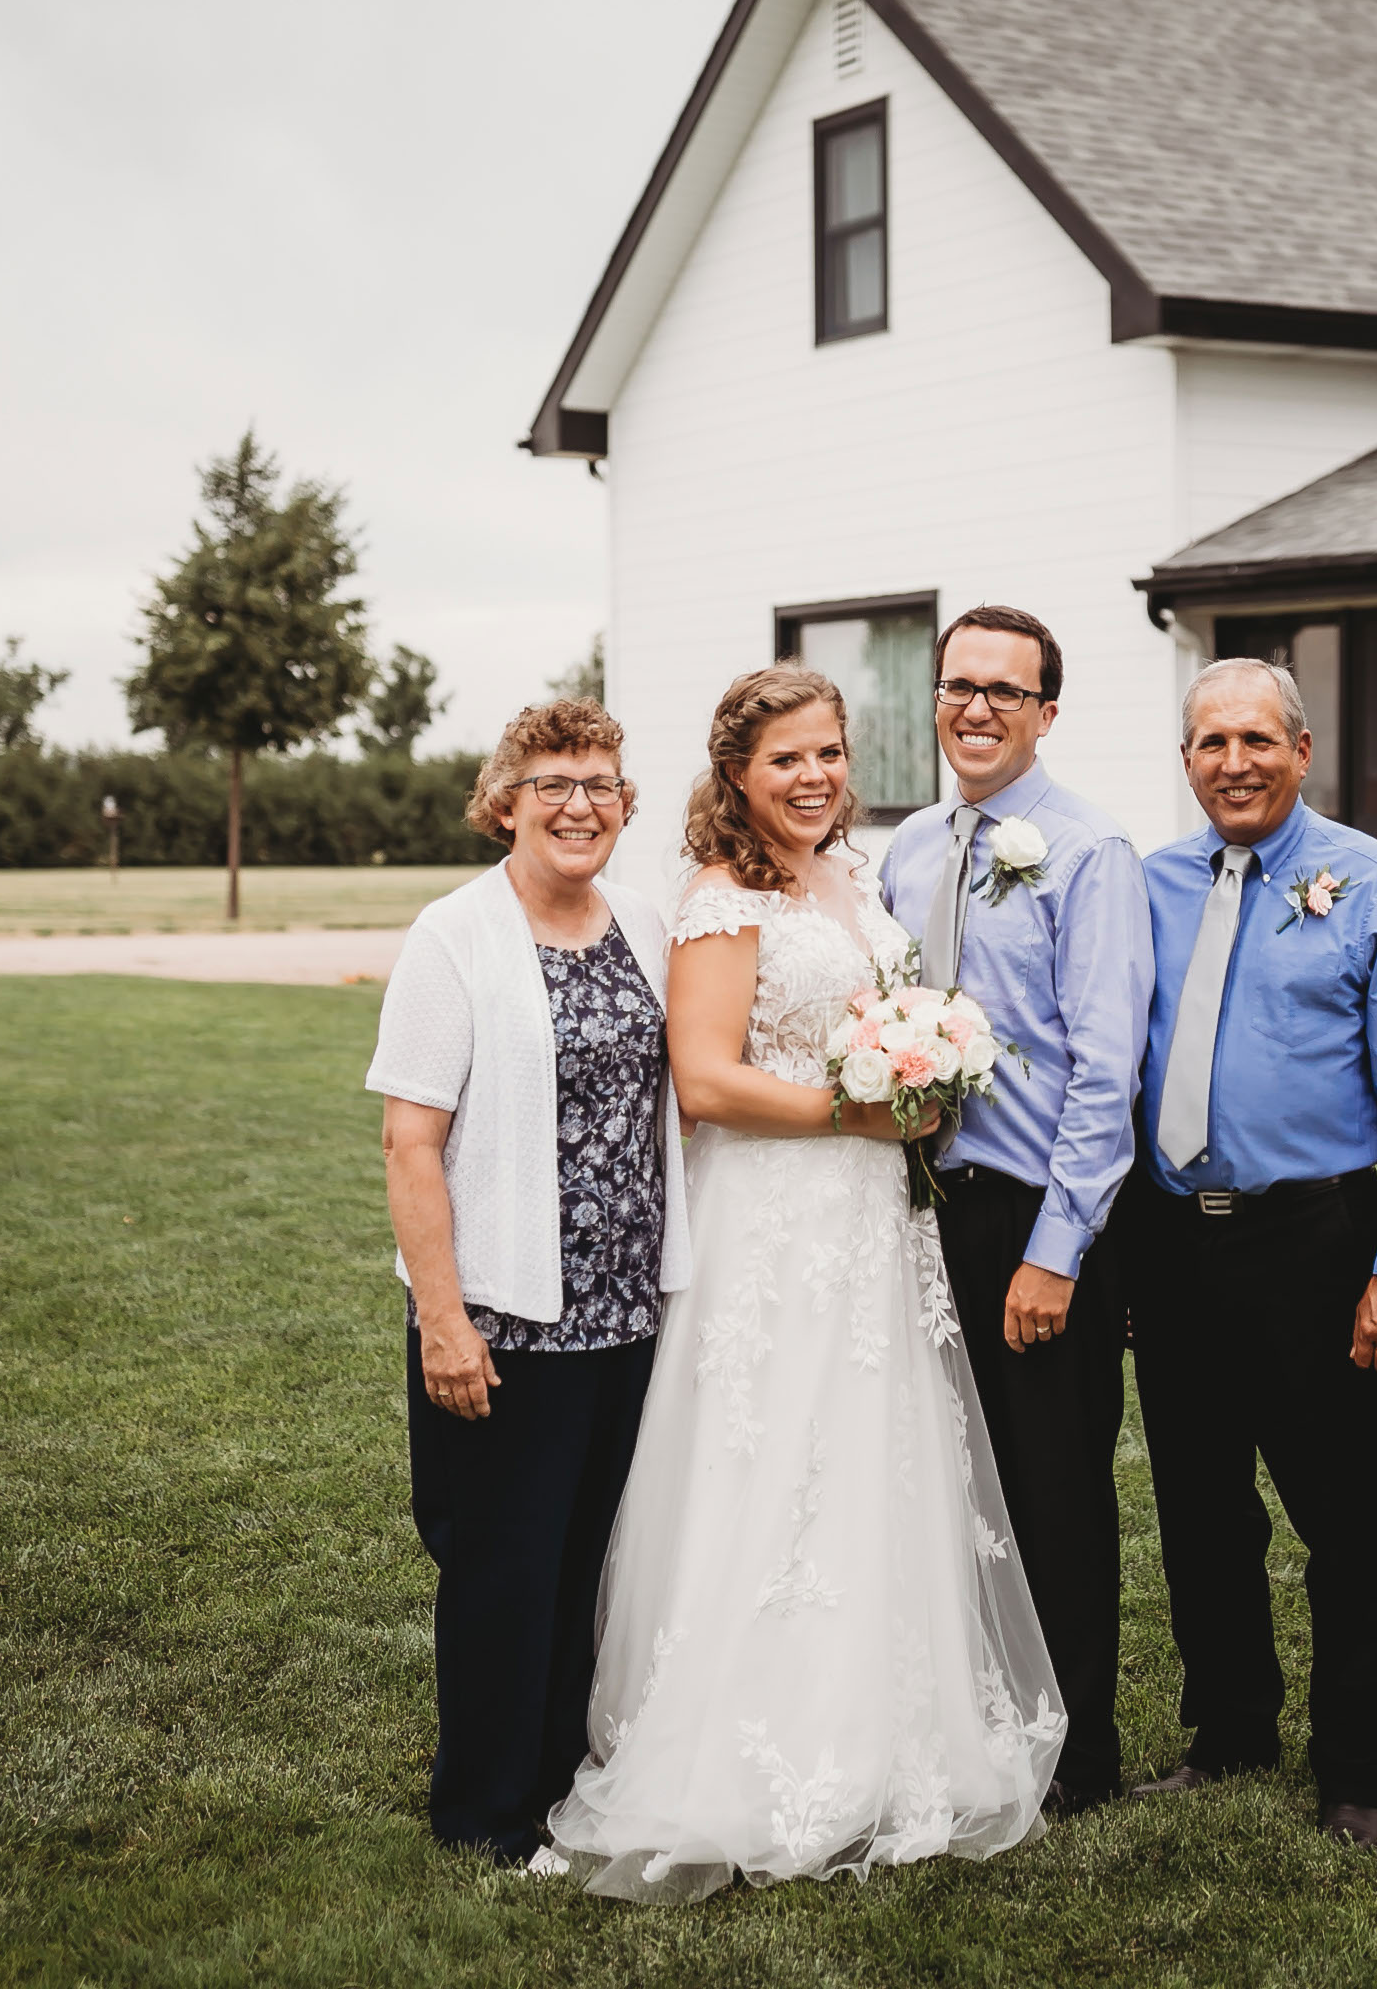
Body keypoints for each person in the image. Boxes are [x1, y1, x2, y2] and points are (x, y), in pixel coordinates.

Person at [545, 663, 1064, 1902]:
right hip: (774, 1220)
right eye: (786, 758)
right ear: (736, 772)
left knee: (870, 1453)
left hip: (870, 1223)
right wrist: (860, 1111)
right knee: (771, 1454)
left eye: (830, 751)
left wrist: (918, 1072)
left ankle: (885, 1731)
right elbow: (705, 1078)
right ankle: (747, 1743)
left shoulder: (854, 874)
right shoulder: (723, 896)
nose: (816, 775)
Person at [1112, 656, 1377, 1850]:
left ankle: (1357, 1769)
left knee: (1345, 1518)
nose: (1235, 763)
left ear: (1302, 751)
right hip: (1171, 1238)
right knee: (1201, 1509)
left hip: (1314, 1238)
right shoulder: (1150, 885)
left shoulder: (1373, 884)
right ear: (1186, 760)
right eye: (1211, 743)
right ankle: (1229, 1731)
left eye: (1257, 739)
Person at [369, 699, 689, 1864]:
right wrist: (443, 1320)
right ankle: (487, 1815)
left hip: (629, 1310)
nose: (579, 804)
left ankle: (562, 1784)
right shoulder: (453, 934)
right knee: (504, 1567)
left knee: (589, 1560)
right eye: (553, 783)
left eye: (600, 782)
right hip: (507, 1315)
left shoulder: (644, 922)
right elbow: (409, 1142)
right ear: (505, 803)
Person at [877, 604, 1152, 1815]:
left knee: (1053, 1488)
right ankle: (972, 1717)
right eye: (958, 685)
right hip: (922, 1210)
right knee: (946, 1480)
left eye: (1005, 689)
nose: (977, 706)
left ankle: (1075, 1752)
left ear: (1047, 712)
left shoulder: (1090, 851)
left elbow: (1107, 1068)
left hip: (1039, 1215)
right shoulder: (907, 849)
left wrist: (1057, 1252)